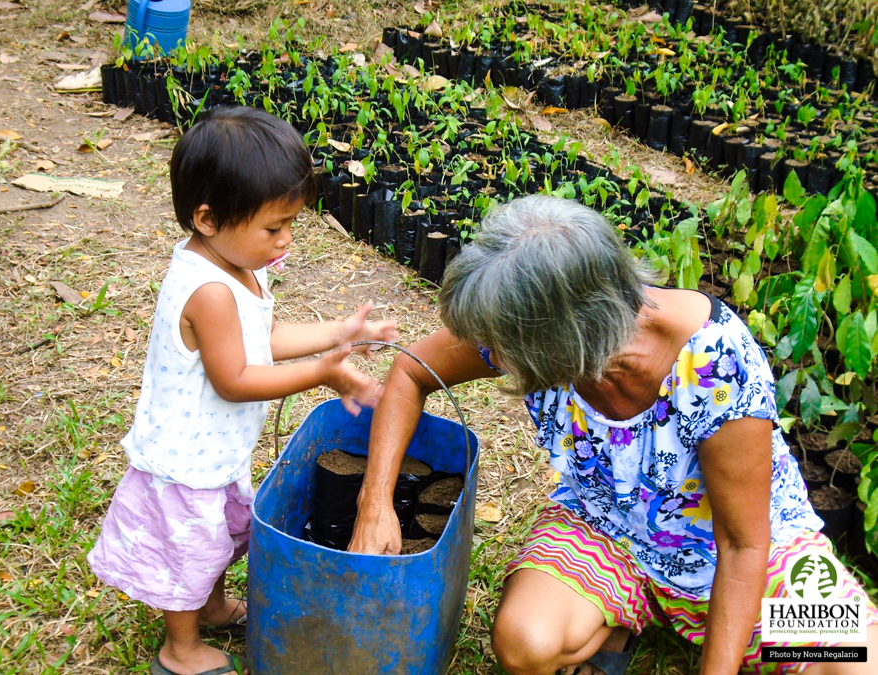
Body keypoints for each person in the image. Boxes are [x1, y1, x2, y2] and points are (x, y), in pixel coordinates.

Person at [349, 195, 878, 675]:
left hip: (738, 555)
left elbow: (743, 544)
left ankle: (664, 626)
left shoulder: (715, 363)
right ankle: (621, 618)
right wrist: (376, 502)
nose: (493, 357)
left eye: (502, 347)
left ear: (568, 337)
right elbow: (413, 369)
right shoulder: (523, 328)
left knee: (854, 663)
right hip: (608, 526)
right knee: (525, 643)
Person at [88, 106, 398, 675]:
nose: (283, 241)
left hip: (215, 452)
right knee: (187, 552)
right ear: (208, 219)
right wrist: (323, 372)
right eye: (272, 228)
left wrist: (342, 333)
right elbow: (236, 380)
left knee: (218, 538)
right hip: (185, 462)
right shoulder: (207, 290)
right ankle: (180, 651)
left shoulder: (238, 267)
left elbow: (265, 338)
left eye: (291, 225)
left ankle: (209, 606)